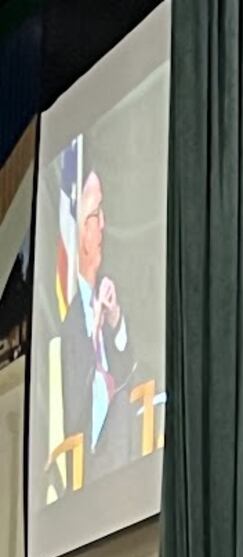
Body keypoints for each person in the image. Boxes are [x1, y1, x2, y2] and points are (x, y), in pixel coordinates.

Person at [59, 170, 138, 478]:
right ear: (79, 232)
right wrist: (93, 333)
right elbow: (74, 409)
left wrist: (115, 319)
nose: (103, 224)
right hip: (93, 464)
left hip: (121, 449)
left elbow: (128, 367)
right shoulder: (71, 322)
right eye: (95, 215)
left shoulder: (104, 292)